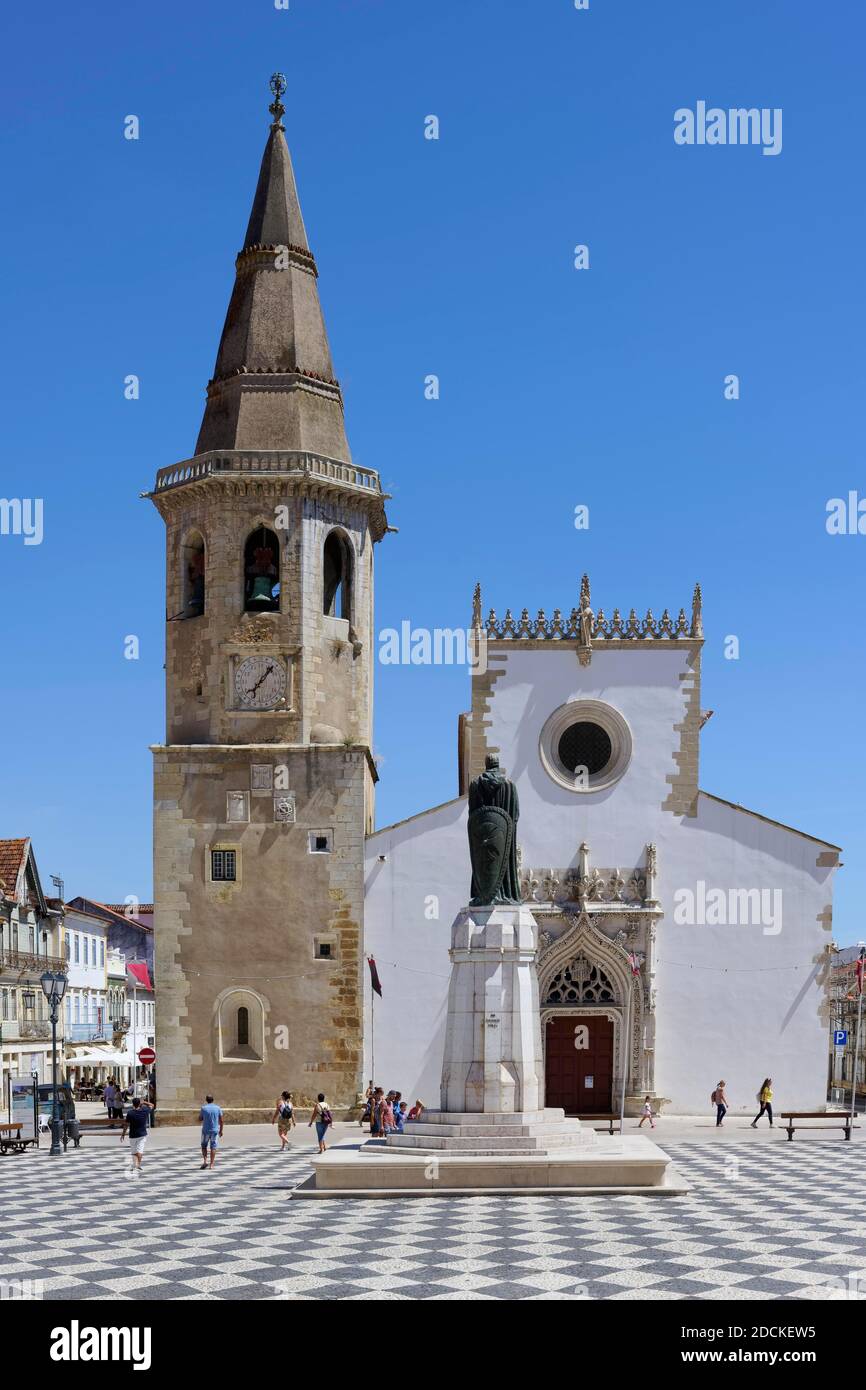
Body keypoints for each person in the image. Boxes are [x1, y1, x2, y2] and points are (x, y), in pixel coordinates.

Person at [120, 1096, 152, 1175]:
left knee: (134, 1151)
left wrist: (123, 1134)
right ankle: (137, 1165)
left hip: (133, 1135)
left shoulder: (130, 1113)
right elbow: (152, 1105)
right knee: (140, 1150)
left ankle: (136, 1165)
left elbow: (126, 1125)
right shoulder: (144, 1110)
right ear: (139, 1104)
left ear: (133, 1104)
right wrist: (144, 1102)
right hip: (142, 1134)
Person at [199, 1094, 224, 1169]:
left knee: (204, 1146)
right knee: (213, 1147)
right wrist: (221, 1130)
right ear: (213, 1100)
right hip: (215, 1131)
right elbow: (221, 1120)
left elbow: (200, 1118)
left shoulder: (203, 1108)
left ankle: (205, 1161)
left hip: (205, 1130)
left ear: (206, 1100)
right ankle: (212, 1164)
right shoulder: (218, 1108)